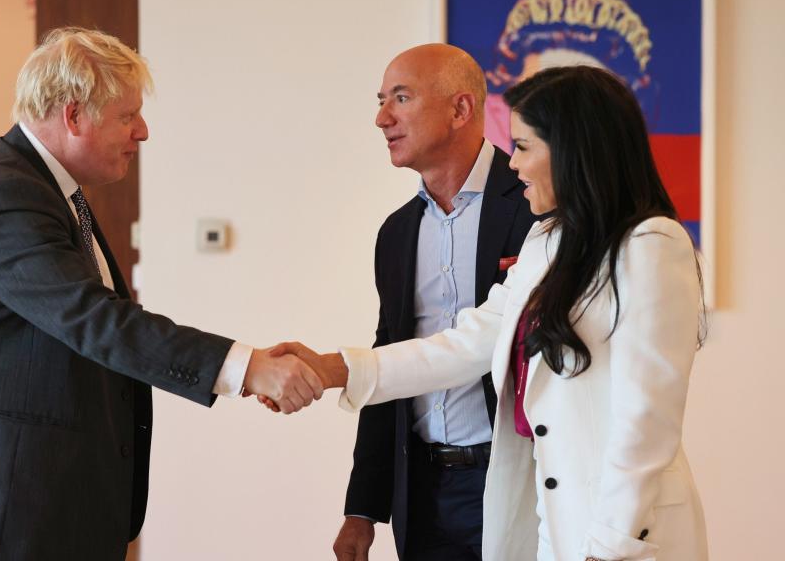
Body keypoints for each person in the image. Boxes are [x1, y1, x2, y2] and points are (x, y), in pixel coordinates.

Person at [0, 27, 323, 561]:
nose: (142, 132)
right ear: (73, 116)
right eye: (127, 116)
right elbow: (96, 319)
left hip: (46, 497)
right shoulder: (9, 193)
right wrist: (245, 367)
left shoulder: (45, 186)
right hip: (13, 505)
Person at [275, 65, 708, 561]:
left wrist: (608, 549)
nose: (515, 165)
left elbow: (646, 421)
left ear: (572, 149)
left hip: (627, 536)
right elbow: (464, 344)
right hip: (555, 528)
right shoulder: (548, 240)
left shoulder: (652, 245)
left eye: (524, 147)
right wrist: (335, 368)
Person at [331, 44, 536, 561]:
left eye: (401, 98)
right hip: (420, 494)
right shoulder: (396, 234)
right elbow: (391, 362)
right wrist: (362, 510)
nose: (382, 118)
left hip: (516, 480)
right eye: (381, 101)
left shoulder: (536, 209)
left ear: (461, 110)